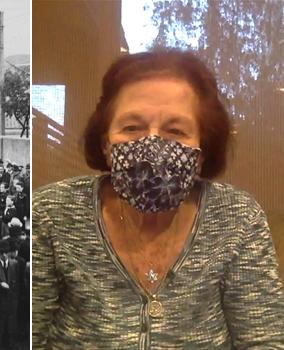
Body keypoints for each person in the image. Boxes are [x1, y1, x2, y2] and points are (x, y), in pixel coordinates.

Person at [33, 50, 284, 348]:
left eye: (175, 130)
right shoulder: (53, 214)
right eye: (132, 128)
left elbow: (264, 340)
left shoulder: (238, 219)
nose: (152, 145)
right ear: (105, 144)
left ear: (202, 153)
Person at [0, 240, 19, 348]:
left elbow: (17, 282)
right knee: (2, 324)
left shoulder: (14, 264)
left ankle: (10, 344)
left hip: (12, 299)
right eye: (1, 253)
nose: (3, 255)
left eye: (5, 253)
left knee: (11, 324)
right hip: (1, 299)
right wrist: (0, 284)